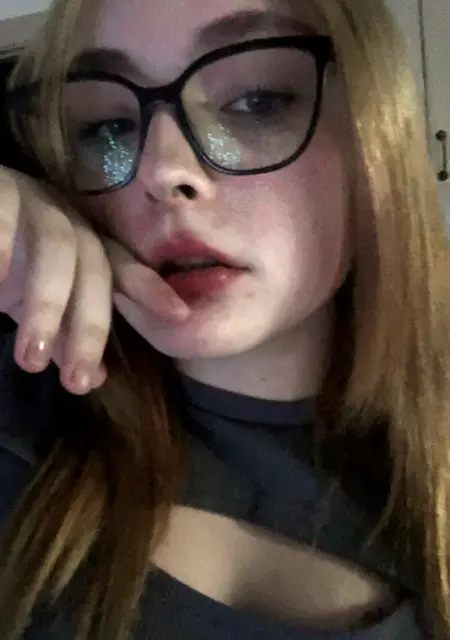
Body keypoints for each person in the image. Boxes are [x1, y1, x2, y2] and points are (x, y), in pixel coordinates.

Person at [0, 0, 448, 637]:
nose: (162, 171)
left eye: (256, 101)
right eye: (107, 126)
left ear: (374, 133)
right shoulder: (22, 411)